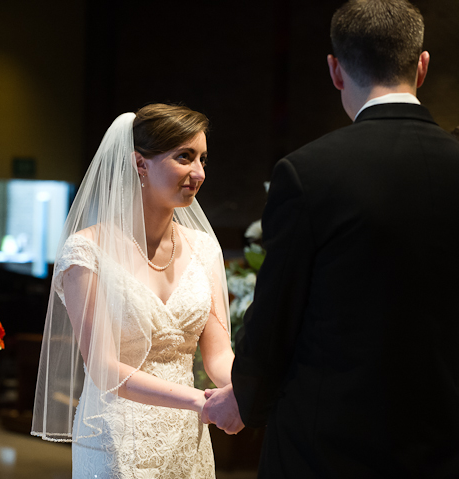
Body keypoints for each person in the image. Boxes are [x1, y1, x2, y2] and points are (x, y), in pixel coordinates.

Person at [202, 0, 459, 477]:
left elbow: (277, 310)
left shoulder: (309, 172)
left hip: (329, 445)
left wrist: (246, 400)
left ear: (335, 70)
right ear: (422, 66)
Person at [32, 104, 234, 477]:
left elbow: (219, 356)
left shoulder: (205, 248)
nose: (199, 173)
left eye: (203, 159)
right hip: (117, 436)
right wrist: (202, 403)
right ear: (140, 164)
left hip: (187, 439)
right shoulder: (86, 251)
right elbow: (104, 367)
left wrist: (242, 390)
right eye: (184, 157)